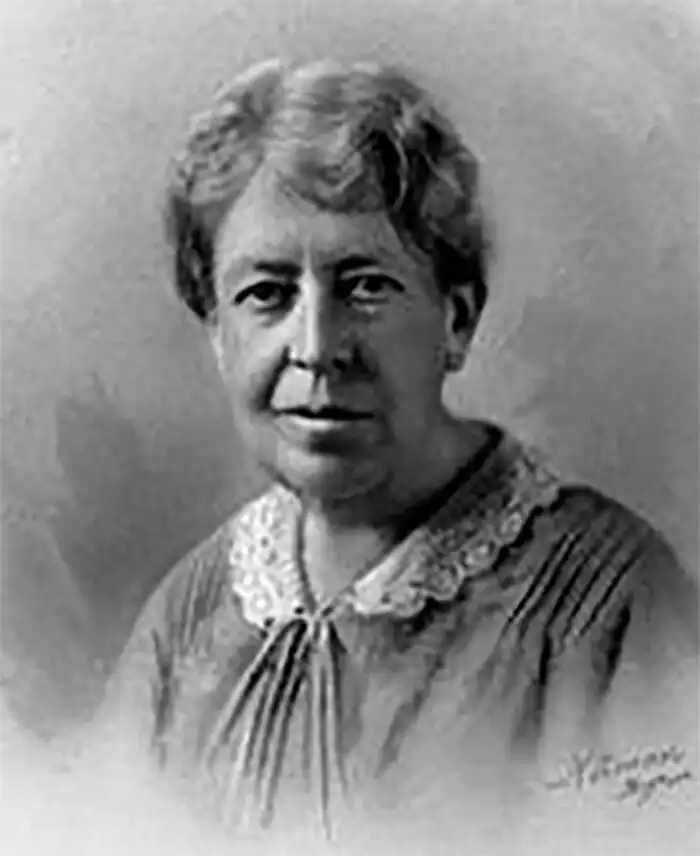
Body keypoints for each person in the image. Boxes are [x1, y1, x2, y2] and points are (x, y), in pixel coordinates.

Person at [84, 57, 697, 851]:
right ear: (218, 337)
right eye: (267, 293)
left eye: (365, 286)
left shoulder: (609, 602)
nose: (317, 347)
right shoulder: (186, 619)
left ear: (457, 321)